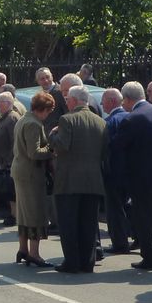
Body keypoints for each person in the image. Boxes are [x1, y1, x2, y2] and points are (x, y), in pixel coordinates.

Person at [115, 81, 152, 270]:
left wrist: (121, 178)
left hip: (140, 177)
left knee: (143, 216)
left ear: (126, 99)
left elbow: (119, 149)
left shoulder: (131, 119)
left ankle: (150, 257)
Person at [49, 84, 107, 273]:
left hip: (69, 180)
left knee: (69, 222)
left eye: (67, 100)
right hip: (93, 180)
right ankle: (87, 261)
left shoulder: (67, 119)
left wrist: (52, 135)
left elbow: (63, 145)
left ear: (73, 101)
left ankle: (72, 262)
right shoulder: (100, 122)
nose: (66, 102)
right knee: (89, 223)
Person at [11, 91, 56, 267]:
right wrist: (52, 149)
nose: (49, 114)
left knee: (24, 212)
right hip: (30, 173)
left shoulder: (24, 119)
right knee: (35, 213)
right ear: (43, 109)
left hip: (21, 171)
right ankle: (34, 253)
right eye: (49, 110)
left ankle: (23, 249)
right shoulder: (33, 124)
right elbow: (35, 153)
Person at [101, 89, 131, 254]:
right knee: (129, 206)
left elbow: (107, 148)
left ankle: (119, 242)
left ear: (111, 101)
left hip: (113, 173)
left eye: (103, 100)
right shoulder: (130, 117)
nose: (101, 104)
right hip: (130, 171)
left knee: (114, 209)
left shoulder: (110, 122)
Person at [0, 91, 21, 227]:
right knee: (8, 192)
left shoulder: (12, 118)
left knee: (12, 191)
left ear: (8, 103)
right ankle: (12, 213)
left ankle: (15, 215)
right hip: (3, 161)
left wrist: (10, 160)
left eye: (0, 103)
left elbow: (15, 141)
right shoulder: (4, 117)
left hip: (10, 162)